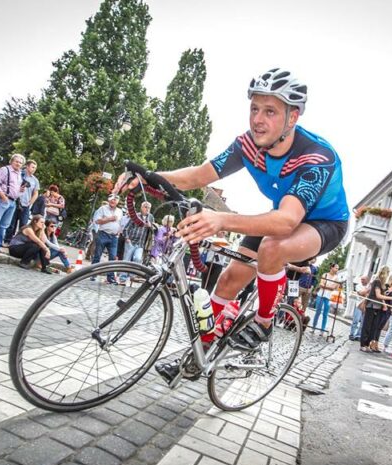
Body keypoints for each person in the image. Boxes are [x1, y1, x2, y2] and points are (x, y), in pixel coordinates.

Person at [116, 68, 349, 382]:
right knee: (227, 280)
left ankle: (264, 323)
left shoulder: (316, 156)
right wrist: (149, 176)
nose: (258, 119)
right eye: (254, 109)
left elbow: (287, 221)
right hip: (281, 215)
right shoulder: (248, 146)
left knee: (272, 247)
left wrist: (220, 219)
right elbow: (199, 175)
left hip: (324, 223)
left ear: (292, 117)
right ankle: (198, 355)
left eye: (270, 111)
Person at [360, 266, 392, 353]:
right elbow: (378, 295)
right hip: (371, 306)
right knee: (367, 326)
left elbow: (382, 296)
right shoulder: (377, 281)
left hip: (378, 307)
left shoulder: (381, 283)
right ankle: (363, 344)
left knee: (373, 327)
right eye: (388, 273)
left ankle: (367, 344)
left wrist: (384, 304)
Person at [4, 160, 40, 245]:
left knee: (23, 225)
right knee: (11, 223)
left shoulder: (35, 180)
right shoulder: (19, 174)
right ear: (27, 166)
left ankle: (18, 242)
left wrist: (30, 202)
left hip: (25, 205)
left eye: (35, 168)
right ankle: (7, 241)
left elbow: (36, 193)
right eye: (32, 167)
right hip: (15, 202)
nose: (34, 169)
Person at [91, 193, 123, 283]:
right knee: (97, 255)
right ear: (109, 200)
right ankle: (92, 274)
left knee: (112, 257)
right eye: (112, 199)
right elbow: (97, 221)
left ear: (117, 202)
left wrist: (119, 231)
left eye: (115, 200)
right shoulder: (102, 209)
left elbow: (121, 223)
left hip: (114, 237)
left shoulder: (120, 211)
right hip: (103, 234)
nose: (113, 201)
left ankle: (110, 278)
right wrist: (109, 219)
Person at [312, 264, 339, 335]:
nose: (337, 269)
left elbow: (334, 288)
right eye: (336, 268)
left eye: (338, 268)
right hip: (321, 295)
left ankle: (322, 330)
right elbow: (321, 284)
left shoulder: (336, 278)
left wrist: (325, 286)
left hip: (329, 297)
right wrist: (329, 286)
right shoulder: (325, 275)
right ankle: (313, 327)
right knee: (318, 312)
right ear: (331, 268)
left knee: (325, 314)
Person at [350, 275, 369, 341]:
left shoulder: (369, 286)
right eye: (361, 279)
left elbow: (368, 295)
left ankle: (358, 335)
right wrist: (367, 292)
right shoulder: (358, 286)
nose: (362, 281)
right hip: (359, 304)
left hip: (366, 305)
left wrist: (365, 293)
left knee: (363, 322)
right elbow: (361, 293)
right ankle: (352, 334)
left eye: (363, 279)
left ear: (367, 280)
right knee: (356, 320)